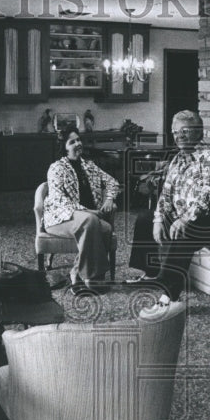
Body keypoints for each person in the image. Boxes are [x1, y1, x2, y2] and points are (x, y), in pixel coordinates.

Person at [127, 110, 210, 303]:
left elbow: (209, 194)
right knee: (145, 218)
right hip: (183, 216)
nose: (179, 136)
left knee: (185, 232)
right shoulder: (178, 158)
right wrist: (158, 219)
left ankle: (168, 295)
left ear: (199, 132)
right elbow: (166, 192)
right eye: (175, 132)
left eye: (184, 131)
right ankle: (151, 273)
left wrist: (185, 219)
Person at [44, 124, 119, 295]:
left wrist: (109, 198)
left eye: (78, 140)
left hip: (86, 219)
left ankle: (77, 273)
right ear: (64, 148)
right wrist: (88, 211)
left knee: (105, 228)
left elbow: (112, 182)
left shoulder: (89, 165)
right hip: (60, 218)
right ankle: (92, 278)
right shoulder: (56, 168)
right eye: (72, 142)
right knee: (91, 220)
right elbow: (58, 200)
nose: (78, 144)